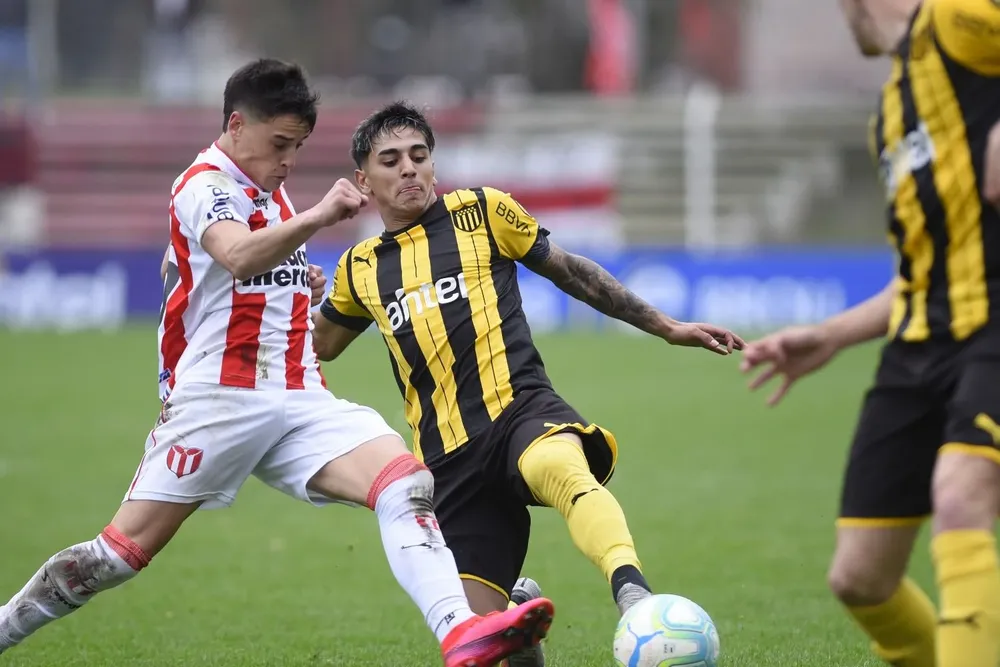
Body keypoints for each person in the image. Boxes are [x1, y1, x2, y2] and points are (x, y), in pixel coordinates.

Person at [0, 59, 554, 667]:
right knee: (117, 555)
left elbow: (219, 270)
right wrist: (317, 217)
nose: (289, 160)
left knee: (405, 480)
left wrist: (298, 281)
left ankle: (460, 631)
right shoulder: (204, 185)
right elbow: (237, 255)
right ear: (237, 125)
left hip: (298, 396)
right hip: (220, 401)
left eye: (298, 147)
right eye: (280, 144)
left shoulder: (268, 189)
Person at [312, 101, 744, 666]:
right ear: (364, 180)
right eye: (390, 160)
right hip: (448, 458)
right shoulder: (359, 268)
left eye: (419, 155)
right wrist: (292, 296)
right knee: (479, 643)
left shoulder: (482, 212)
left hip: (519, 408)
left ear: (434, 165)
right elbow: (320, 346)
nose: (409, 168)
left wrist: (665, 326)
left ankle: (634, 595)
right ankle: (519, 615)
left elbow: (571, 271)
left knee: (560, 468)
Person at [740, 1, 1000, 665]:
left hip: (993, 327)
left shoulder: (957, 20)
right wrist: (830, 335)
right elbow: (919, 275)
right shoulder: (889, 114)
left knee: (961, 493)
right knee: (860, 576)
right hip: (919, 347)